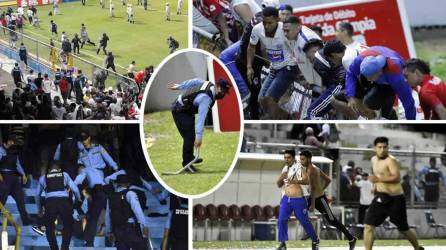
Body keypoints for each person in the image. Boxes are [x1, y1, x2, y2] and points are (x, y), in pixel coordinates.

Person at [364, 137, 424, 250]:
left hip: (396, 199)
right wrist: (375, 186)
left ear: (388, 147)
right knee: (368, 226)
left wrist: (379, 180)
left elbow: (396, 178)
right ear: (374, 148)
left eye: (384, 147)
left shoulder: (391, 160)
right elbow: (377, 175)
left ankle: (418, 248)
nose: (382, 150)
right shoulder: (373, 160)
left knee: (403, 228)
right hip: (381, 198)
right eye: (379, 147)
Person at [169, 78, 231, 172]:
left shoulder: (208, 84)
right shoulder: (206, 99)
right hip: (179, 110)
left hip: (186, 109)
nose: (223, 94)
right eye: (222, 91)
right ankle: (187, 164)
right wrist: (199, 137)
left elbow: (194, 81)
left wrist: (180, 86)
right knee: (189, 136)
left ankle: (190, 157)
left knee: (190, 136)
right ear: (217, 86)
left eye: (225, 93)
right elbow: (201, 119)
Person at [248, 7, 298, 119]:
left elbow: (299, 48)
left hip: (288, 67)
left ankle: (278, 123)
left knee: (270, 100)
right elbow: (251, 47)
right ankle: (288, 118)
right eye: (264, 22)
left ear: (278, 19)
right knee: (261, 100)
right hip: (274, 68)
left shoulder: (285, 30)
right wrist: (249, 67)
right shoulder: (257, 29)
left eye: (270, 23)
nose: (266, 26)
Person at [300, 150, 356, 249]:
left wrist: (313, 204)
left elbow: (313, 188)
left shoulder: (311, 170)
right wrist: (321, 189)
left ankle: (351, 238)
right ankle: (312, 235)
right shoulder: (314, 168)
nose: (301, 161)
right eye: (300, 159)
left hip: (319, 199)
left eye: (303, 159)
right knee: (299, 212)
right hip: (313, 197)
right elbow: (328, 180)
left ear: (308, 159)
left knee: (332, 220)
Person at [345, 46, 416, 120]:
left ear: (379, 72)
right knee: (361, 94)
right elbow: (350, 73)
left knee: (370, 101)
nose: (369, 80)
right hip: (375, 59)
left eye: (371, 77)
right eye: (367, 77)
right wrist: (350, 96)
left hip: (390, 76)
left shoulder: (396, 76)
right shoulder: (359, 60)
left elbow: (408, 102)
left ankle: (388, 115)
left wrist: (411, 122)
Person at [276, 149, 319, 250]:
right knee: (281, 220)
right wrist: (283, 176)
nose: (286, 159)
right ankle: (283, 244)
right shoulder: (285, 168)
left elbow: (306, 180)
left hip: (298, 200)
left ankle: (315, 240)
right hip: (286, 199)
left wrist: (294, 180)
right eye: (285, 158)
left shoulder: (298, 168)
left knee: (304, 221)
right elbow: (278, 184)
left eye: (288, 157)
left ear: (293, 158)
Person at [34, 163, 81, 250]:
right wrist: (78, 198)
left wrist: (39, 209)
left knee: (49, 226)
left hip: (50, 202)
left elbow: (37, 195)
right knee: (68, 224)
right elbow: (75, 189)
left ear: (48, 171)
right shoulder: (65, 175)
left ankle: (54, 248)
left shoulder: (43, 177)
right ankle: (64, 248)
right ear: (60, 170)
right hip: (64, 201)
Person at [303, 39, 346, 119]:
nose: (309, 61)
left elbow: (329, 81)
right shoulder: (326, 53)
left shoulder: (317, 59)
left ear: (313, 51)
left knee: (312, 112)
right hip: (343, 83)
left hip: (340, 84)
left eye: (308, 58)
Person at [107, 174, 149, 249]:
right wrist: (144, 225)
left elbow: (108, 215)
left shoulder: (111, 197)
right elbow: (137, 210)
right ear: (128, 183)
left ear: (117, 183)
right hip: (130, 229)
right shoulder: (130, 193)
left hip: (117, 230)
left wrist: (110, 231)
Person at [0, 134, 31, 226]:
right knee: (2, 199)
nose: (15, 144)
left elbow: (17, 164)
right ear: (9, 141)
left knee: (20, 198)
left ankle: (26, 221)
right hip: (3, 176)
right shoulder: (0, 150)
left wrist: (23, 174)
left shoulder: (14, 151)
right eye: (13, 141)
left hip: (13, 177)